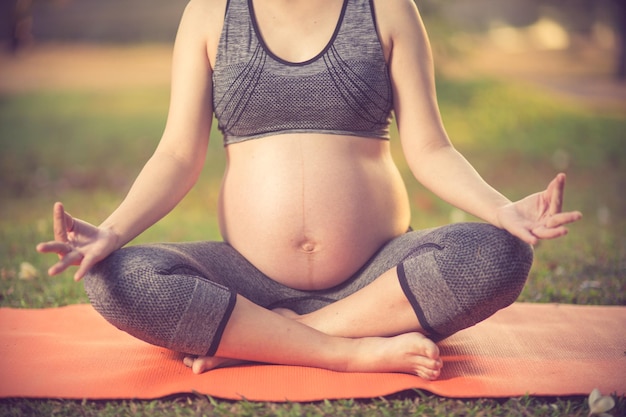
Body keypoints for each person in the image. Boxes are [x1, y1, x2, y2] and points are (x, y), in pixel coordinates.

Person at [36, 0, 582, 381]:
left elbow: (431, 149)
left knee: (501, 254)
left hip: (377, 281)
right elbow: (178, 155)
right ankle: (342, 353)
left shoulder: (389, 8)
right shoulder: (209, 14)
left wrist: (502, 209)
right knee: (118, 279)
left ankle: (264, 343)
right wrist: (112, 232)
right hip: (247, 280)